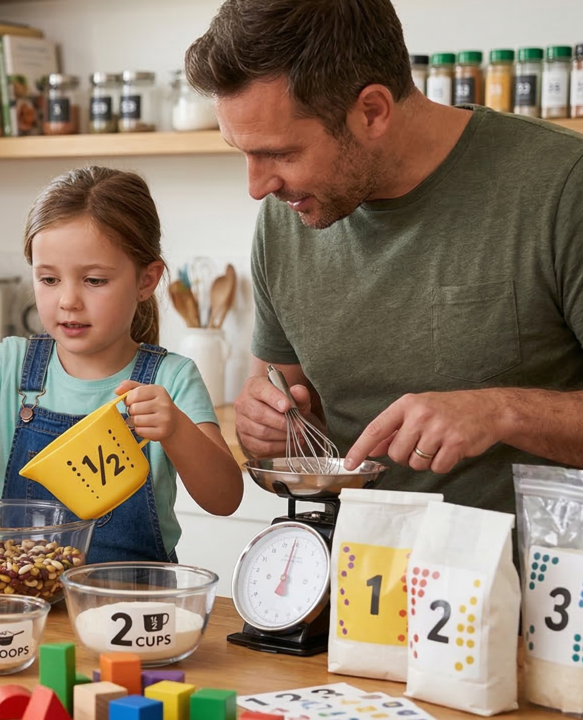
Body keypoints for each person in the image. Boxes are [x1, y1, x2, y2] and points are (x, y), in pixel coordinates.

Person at [185, 0, 583, 516]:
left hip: (536, 581)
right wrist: (267, 428)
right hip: (355, 578)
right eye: (242, 151)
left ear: (372, 111)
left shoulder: (562, 186)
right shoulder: (288, 219)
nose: (257, 187)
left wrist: (501, 411)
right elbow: (290, 409)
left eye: (281, 154)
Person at [0, 166, 243, 563]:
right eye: (49, 280)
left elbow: (224, 499)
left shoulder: (171, 378)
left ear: (146, 280)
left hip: (136, 606)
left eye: (94, 280)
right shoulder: (10, 366)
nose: (68, 300)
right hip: (28, 602)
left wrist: (177, 431)